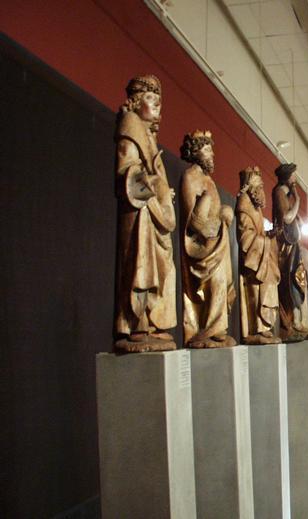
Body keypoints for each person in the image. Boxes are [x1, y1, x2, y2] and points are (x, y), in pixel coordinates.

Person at [114, 75, 177, 352]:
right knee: (139, 265)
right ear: (137, 101)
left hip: (154, 213)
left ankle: (153, 323)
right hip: (138, 211)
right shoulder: (131, 126)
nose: (158, 108)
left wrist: (163, 193)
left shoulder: (150, 137)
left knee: (162, 268)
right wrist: (152, 184)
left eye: (160, 103)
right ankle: (136, 325)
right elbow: (126, 171)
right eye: (152, 100)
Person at [179, 130, 236, 348]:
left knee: (221, 283)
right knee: (214, 283)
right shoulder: (190, 177)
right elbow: (193, 221)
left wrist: (224, 213)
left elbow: (214, 211)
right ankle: (208, 329)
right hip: (202, 246)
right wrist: (211, 221)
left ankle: (217, 329)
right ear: (195, 152)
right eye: (207, 150)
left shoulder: (209, 181)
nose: (212, 155)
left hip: (217, 241)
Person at [236, 167, 281, 345]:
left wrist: (269, 236)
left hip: (263, 256)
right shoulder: (244, 205)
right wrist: (264, 241)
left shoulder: (256, 207)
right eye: (259, 185)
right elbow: (246, 237)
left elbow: (259, 233)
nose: (262, 189)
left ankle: (264, 326)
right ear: (251, 187)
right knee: (256, 290)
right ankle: (256, 329)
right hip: (253, 260)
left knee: (269, 285)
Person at [272, 163, 308, 341]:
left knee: (298, 279)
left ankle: (299, 320)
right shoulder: (279, 192)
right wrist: (298, 201)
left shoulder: (287, 194)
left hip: (293, 243)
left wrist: (298, 216)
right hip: (286, 244)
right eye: (294, 176)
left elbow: (293, 216)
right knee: (291, 280)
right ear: (287, 177)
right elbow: (287, 217)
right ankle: (293, 321)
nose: (295, 179)